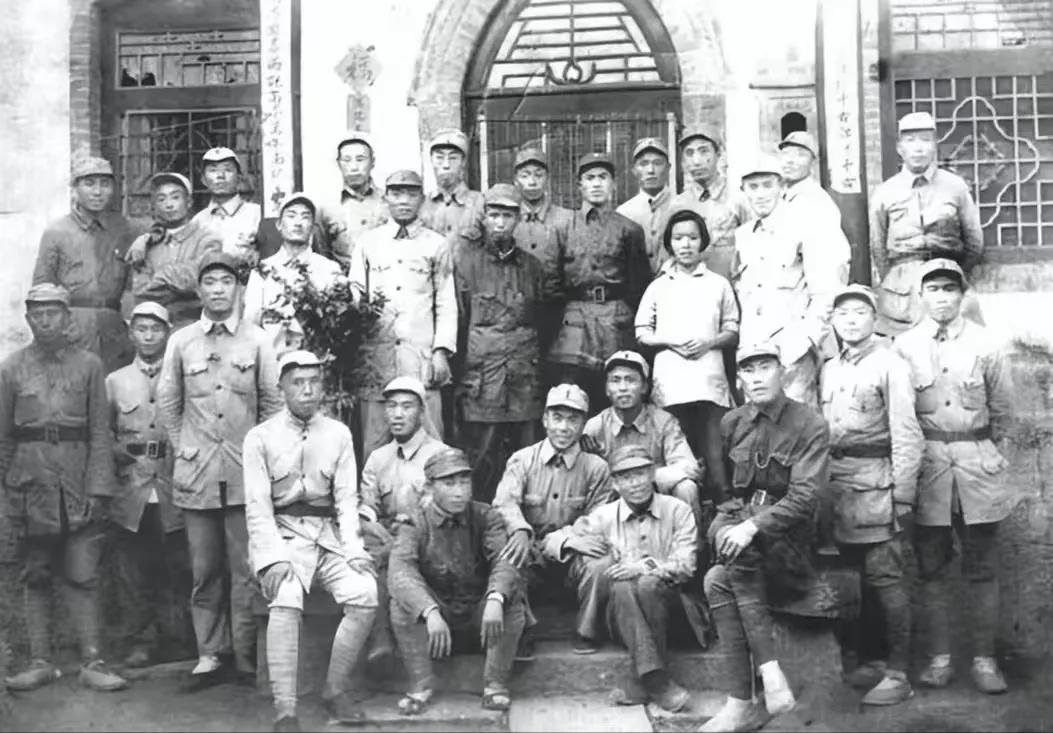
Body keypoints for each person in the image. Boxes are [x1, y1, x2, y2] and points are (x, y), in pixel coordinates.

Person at [157, 251, 282, 691]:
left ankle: (246, 657)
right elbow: (169, 404)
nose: (217, 289)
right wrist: (185, 449)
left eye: (225, 281)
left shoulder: (258, 341)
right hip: (197, 477)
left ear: (238, 289)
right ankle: (210, 655)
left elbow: (272, 404)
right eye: (209, 282)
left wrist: (260, 458)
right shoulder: (182, 341)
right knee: (205, 570)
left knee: (246, 569)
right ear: (199, 290)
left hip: (245, 474)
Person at [893, 258, 1014, 694]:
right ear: (920, 296)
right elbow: (901, 416)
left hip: (977, 467)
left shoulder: (987, 343)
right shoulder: (904, 347)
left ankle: (984, 660)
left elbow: (1004, 411)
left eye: (950, 288)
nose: (942, 297)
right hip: (928, 470)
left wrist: (989, 454)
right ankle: (940, 658)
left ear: (963, 295)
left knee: (982, 567)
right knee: (931, 568)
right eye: (933, 289)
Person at [1, 284, 127, 693]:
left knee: (83, 573)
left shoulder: (89, 366)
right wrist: (5, 495)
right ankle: (41, 661)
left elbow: (101, 433)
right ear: (28, 319)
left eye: (53, 313)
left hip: (76, 484)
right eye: (37, 314)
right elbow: (3, 437)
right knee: (35, 573)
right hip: (29, 486)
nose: (45, 321)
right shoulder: (11, 368)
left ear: (68, 317)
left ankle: (93, 661)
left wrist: (99, 488)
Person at [243, 350, 378, 731]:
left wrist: (354, 549)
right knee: (285, 594)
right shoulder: (259, 438)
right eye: (297, 383)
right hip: (281, 536)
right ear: (281, 388)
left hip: (327, 539)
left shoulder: (338, 434)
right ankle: (285, 710)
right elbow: (257, 506)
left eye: (314, 382)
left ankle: (335, 689)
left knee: (365, 592)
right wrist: (271, 558)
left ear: (323, 386)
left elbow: (347, 501)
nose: (307, 390)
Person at [700, 341, 829, 732]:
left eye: (765, 368)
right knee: (714, 579)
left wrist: (752, 526)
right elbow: (727, 495)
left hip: (791, 544)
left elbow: (805, 498)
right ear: (739, 378)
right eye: (748, 370)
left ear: (782, 372)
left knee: (731, 563)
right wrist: (726, 525)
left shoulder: (809, 423)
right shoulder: (733, 423)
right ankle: (744, 698)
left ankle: (764, 682)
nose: (756, 378)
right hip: (746, 536)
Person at [821, 284, 922, 706]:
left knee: (887, 579)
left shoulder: (890, 365)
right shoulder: (829, 368)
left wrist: (904, 496)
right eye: (842, 313)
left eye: (859, 312)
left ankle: (899, 673)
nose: (850, 320)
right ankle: (869, 661)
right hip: (838, 490)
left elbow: (907, 434)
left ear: (874, 319)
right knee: (852, 582)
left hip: (877, 488)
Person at [545, 445, 702, 711]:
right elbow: (550, 541)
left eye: (640, 474)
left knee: (646, 583)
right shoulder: (603, 516)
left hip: (674, 613)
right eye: (626, 477)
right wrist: (571, 542)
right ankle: (656, 680)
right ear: (616, 484)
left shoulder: (678, 510)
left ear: (652, 474)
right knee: (620, 587)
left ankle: (645, 680)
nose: (636, 483)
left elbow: (686, 566)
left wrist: (644, 567)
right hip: (623, 620)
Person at [388, 447, 525, 715]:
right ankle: (421, 684)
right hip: (438, 618)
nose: (460, 491)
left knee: (512, 598)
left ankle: (495, 685)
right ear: (430, 487)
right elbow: (401, 572)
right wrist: (429, 611)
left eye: (464, 482)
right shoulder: (415, 523)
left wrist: (495, 598)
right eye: (449, 483)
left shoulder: (486, 516)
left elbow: (505, 560)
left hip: (481, 617)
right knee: (401, 604)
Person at [492, 384, 614, 658]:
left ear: (583, 424)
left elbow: (599, 517)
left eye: (573, 420)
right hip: (533, 550)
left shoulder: (596, 468)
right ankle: (522, 628)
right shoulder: (522, 459)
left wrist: (566, 540)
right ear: (545, 419)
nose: (563, 427)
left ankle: (587, 630)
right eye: (557, 418)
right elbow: (504, 502)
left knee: (602, 562)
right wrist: (520, 529)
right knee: (508, 554)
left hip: (575, 550)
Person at [106, 301, 192, 669]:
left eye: (156, 329)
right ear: (131, 333)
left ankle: (179, 640)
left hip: (173, 486)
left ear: (168, 333)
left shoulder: (181, 378)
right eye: (141, 328)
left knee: (177, 566)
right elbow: (103, 433)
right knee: (133, 570)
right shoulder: (116, 381)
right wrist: (117, 452)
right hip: (133, 488)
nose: (148, 336)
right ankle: (139, 641)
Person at [349, 170, 456, 459]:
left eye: (411, 194)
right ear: (385, 199)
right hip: (377, 357)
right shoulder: (368, 243)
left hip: (419, 357)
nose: (404, 201)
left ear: (422, 199)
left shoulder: (436, 244)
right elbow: (356, 293)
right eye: (396, 194)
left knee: (430, 441)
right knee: (375, 442)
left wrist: (441, 352)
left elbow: (446, 302)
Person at [635, 207, 738, 504]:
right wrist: (670, 343)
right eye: (678, 238)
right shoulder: (658, 286)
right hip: (671, 383)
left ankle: (723, 514)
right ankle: (682, 515)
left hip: (708, 380)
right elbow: (642, 331)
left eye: (692, 237)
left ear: (702, 241)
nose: (686, 244)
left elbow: (732, 329)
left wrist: (710, 343)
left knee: (715, 455)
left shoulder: (718, 284)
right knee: (678, 456)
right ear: (670, 243)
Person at [452, 183, 548, 501]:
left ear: (518, 219)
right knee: (481, 459)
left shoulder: (533, 268)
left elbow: (543, 321)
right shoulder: (466, 264)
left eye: (507, 216)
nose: (500, 223)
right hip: (482, 382)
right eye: (494, 215)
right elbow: (459, 322)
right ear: (484, 217)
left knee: (528, 459)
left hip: (523, 380)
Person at [731, 154, 847, 407]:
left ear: (782, 187)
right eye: (753, 187)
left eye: (767, 185)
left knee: (796, 422)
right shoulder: (743, 236)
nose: (760, 194)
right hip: (754, 350)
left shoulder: (805, 227)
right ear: (743, 191)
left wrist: (804, 342)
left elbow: (825, 292)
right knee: (759, 422)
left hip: (793, 349)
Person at [358, 376, 451, 664]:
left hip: (428, 538)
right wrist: (368, 522)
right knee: (367, 551)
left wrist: (407, 531)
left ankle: (383, 635)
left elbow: (442, 509)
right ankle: (380, 637)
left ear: (422, 411)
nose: (398, 414)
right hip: (387, 537)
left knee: (396, 555)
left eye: (407, 406)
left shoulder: (440, 455)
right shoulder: (378, 458)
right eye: (392, 406)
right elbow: (367, 504)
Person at [547, 153, 650, 410]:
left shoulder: (629, 230)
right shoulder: (562, 228)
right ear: (579, 185)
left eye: (602, 177)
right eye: (589, 178)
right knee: (572, 392)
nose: (596, 183)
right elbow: (552, 283)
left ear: (613, 184)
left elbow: (639, 285)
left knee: (616, 387)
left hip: (615, 319)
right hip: (575, 320)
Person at [870, 111, 984, 336]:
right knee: (900, 346)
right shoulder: (885, 192)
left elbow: (974, 242)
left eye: (925, 140)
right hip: (901, 287)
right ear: (899, 148)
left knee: (962, 339)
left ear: (935, 146)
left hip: (947, 275)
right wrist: (896, 278)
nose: (918, 148)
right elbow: (877, 246)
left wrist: (954, 273)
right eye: (910, 141)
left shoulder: (955, 187)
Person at [581, 351, 704, 544]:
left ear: (644, 387)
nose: (623, 388)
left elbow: (688, 467)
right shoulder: (595, 427)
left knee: (686, 488)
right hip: (615, 503)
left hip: (657, 499)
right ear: (607, 389)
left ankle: (690, 549)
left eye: (630, 380)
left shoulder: (663, 421)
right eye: (615, 380)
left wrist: (643, 479)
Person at [32, 156, 141, 372]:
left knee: (113, 386)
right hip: (71, 328)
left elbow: (133, 283)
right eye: (89, 184)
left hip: (113, 328)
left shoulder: (125, 229)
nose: (97, 192)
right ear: (74, 189)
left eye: (105, 184)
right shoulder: (57, 232)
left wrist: (130, 322)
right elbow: (41, 289)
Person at [243, 193, 343, 358]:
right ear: (279, 225)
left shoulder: (329, 269)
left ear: (313, 227)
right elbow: (251, 325)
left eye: (305, 217)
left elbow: (340, 325)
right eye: (291, 216)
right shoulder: (262, 271)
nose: (298, 223)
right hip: (274, 362)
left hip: (318, 362)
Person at [128, 171, 223, 329]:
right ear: (154, 207)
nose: (169, 205)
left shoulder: (207, 239)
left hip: (197, 324)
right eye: (161, 199)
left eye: (175, 197)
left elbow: (201, 278)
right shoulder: (147, 245)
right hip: (156, 329)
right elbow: (141, 291)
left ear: (189, 202)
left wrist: (162, 276)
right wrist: (180, 283)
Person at [669, 127, 749, 280]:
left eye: (704, 151)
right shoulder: (678, 205)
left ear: (718, 154)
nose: (696, 161)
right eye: (689, 153)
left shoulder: (739, 198)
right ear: (683, 161)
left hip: (732, 285)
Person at [512, 147, 570, 351]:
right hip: (517, 312)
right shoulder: (508, 219)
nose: (532, 181)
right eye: (525, 175)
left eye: (538, 175)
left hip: (558, 311)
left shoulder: (566, 219)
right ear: (515, 180)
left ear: (547, 179)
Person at [777, 131, 850, 284]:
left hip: (804, 290)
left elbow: (828, 262)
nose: (790, 160)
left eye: (800, 155)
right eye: (786, 153)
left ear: (813, 162)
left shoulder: (815, 201)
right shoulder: (779, 197)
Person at [316, 131, 388, 269]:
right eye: (347, 160)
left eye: (360, 159)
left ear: (372, 162)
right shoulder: (326, 207)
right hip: (343, 278)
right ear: (338, 163)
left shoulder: (387, 201)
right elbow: (321, 254)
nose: (354, 167)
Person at [190, 147, 262, 264]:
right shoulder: (198, 221)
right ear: (203, 180)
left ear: (239, 177)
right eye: (213, 170)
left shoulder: (256, 214)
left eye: (228, 170)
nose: (220, 176)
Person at [616, 137, 675, 273]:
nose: (651, 170)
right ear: (634, 170)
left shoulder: (682, 206)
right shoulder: (624, 213)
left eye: (657, 163)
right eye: (643, 164)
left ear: (668, 168)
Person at [418, 129, 486, 238]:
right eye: (439, 157)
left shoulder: (480, 203)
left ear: (463, 162)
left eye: (453, 158)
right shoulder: (422, 204)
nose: (446, 165)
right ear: (431, 160)